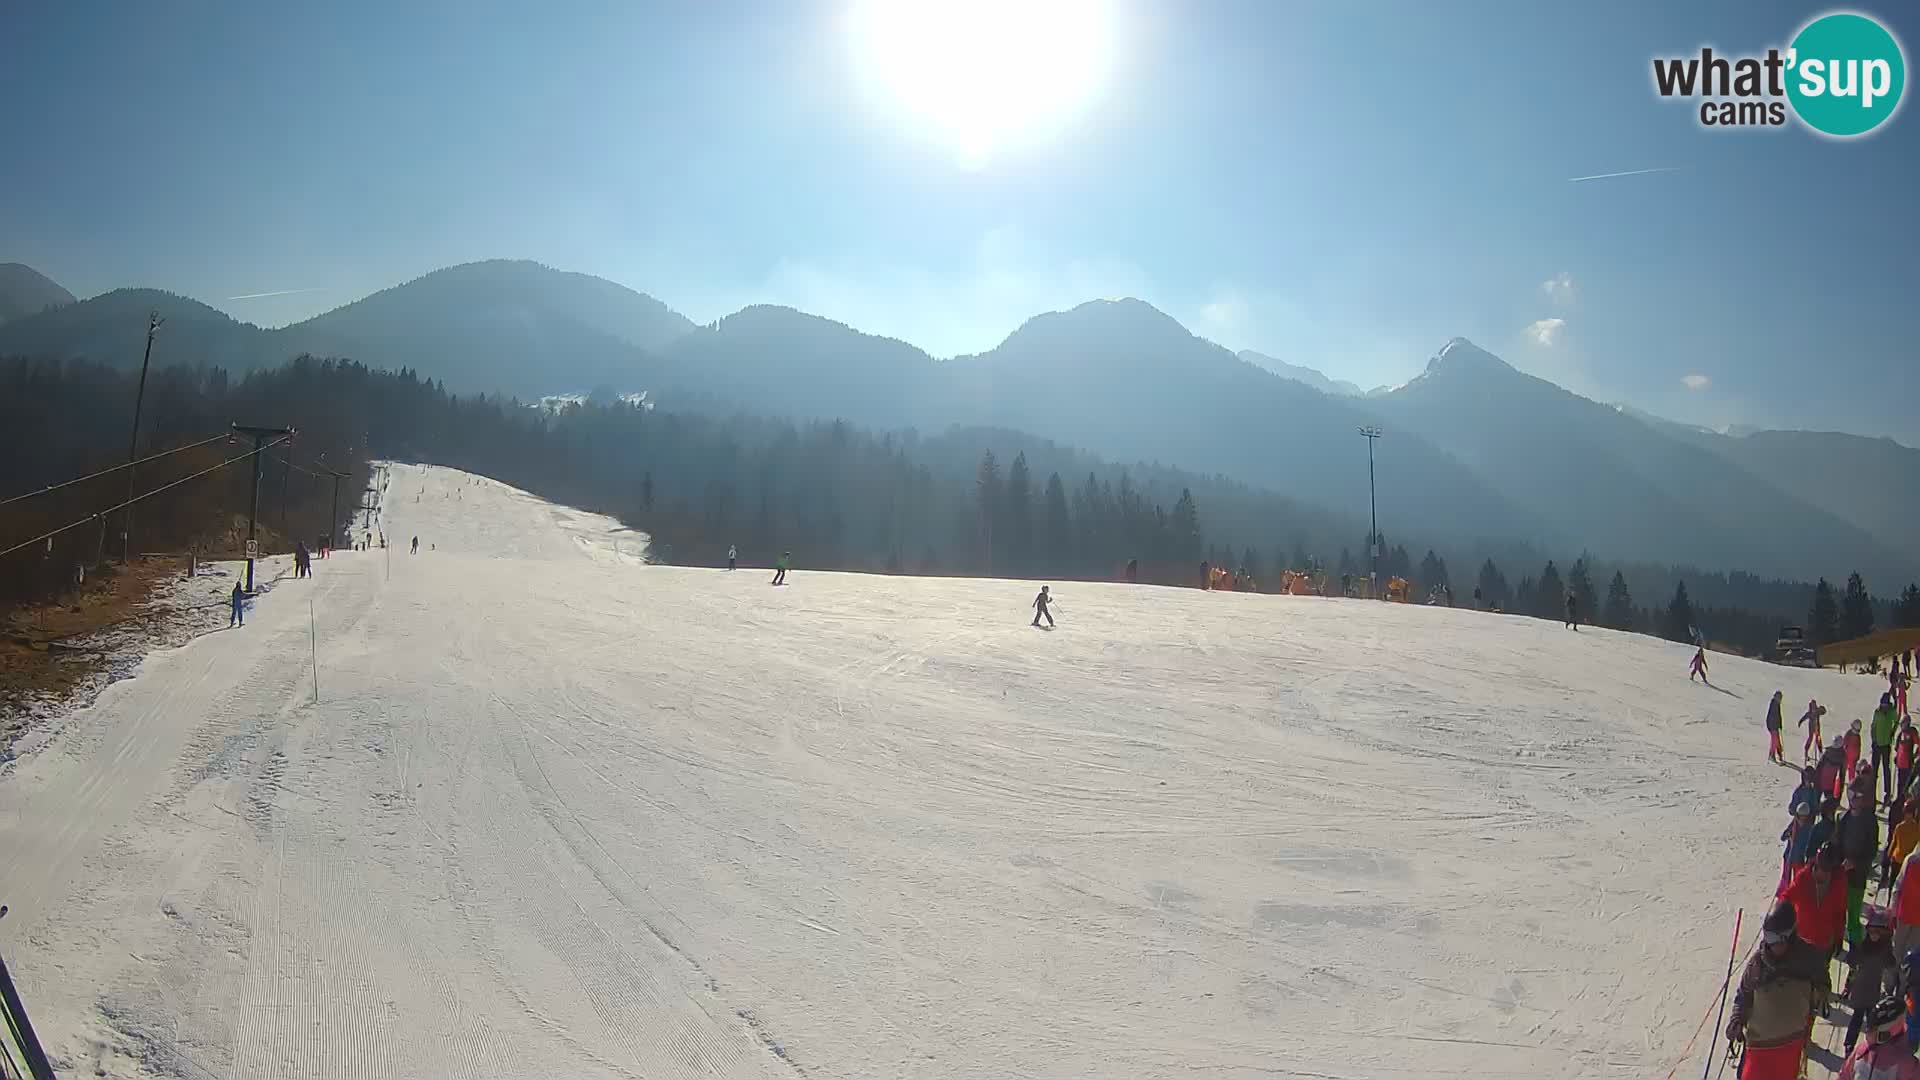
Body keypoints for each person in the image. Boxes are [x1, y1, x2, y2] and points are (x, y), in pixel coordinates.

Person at [1726, 902, 1831, 1080]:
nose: (1772, 944)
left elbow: (1824, 985)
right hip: (1760, 1044)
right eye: (1768, 937)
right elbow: (1744, 995)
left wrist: (1815, 996)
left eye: (1777, 939)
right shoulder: (1758, 963)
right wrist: (1736, 1020)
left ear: (1790, 936)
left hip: (1790, 1043)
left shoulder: (1808, 957)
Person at [1845, 911, 1901, 1055]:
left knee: (1873, 1022)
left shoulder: (1884, 947)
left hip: (1874, 989)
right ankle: (1849, 1045)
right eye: (1871, 931)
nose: (1874, 935)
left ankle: (1872, 1046)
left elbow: (1891, 963)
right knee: (1857, 1018)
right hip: (1861, 988)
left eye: (1878, 931)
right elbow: (1852, 961)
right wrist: (1851, 955)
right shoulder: (1863, 946)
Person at [1783, 843, 1848, 957]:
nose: (1823, 873)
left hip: (1823, 942)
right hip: (1801, 939)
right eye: (1821, 868)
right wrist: (1779, 918)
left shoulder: (1838, 883)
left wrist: (1839, 937)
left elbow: (1839, 913)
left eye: (1828, 870)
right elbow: (1787, 898)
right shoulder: (1803, 878)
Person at [1836, 994, 1920, 1079]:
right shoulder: (1863, 1049)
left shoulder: (1904, 1062)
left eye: (1875, 1031)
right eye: (1870, 1030)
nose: (1870, 1034)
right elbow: (1844, 1074)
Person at [1842, 784, 1884, 945]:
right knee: (1840, 909)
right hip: (1842, 872)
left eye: (1858, 797)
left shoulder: (1869, 820)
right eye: (1852, 797)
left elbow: (1872, 849)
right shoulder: (1845, 818)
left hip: (1858, 874)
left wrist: (1856, 863)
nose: (1855, 801)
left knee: (1853, 910)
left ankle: (1855, 945)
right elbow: (1838, 841)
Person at [1781, 800, 1819, 892]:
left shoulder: (1810, 828)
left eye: (1804, 817)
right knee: (1786, 879)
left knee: (1798, 880)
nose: (1801, 819)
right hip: (1789, 857)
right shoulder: (1794, 824)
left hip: (1800, 859)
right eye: (1800, 816)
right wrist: (1788, 835)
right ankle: (1784, 895)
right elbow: (1783, 837)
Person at [1882, 695, 1906, 804]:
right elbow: (1898, 747)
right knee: (1899, 782)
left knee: (1888, 769)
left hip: (1887, 745)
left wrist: (1892, 731)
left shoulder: (1891, 712)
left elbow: (1896, 721)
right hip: (1878, 744)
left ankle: (1894, 796)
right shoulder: (1878, 712)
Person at [1766, 690, 1787, 765]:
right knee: (1775, 740)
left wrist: (1780, 724)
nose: (1780, 699)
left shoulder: (1776, 704)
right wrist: (1775, 725)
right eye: (1779, 697)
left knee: (1777, 740)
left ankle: (1779, 755)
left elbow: (1778, 716)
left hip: (1775, 725)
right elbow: (1773, 716)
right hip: (1772, 725)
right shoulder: (1774, 704)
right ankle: (1772, 755)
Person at [1849, 720, 1867, 788]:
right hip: (1850, 756)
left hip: (1854, 757)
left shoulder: (1856, 736)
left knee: (1853, 770)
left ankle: (1853, 783)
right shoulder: (1850, 734)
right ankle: (1852, 782)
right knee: (1851, 770)